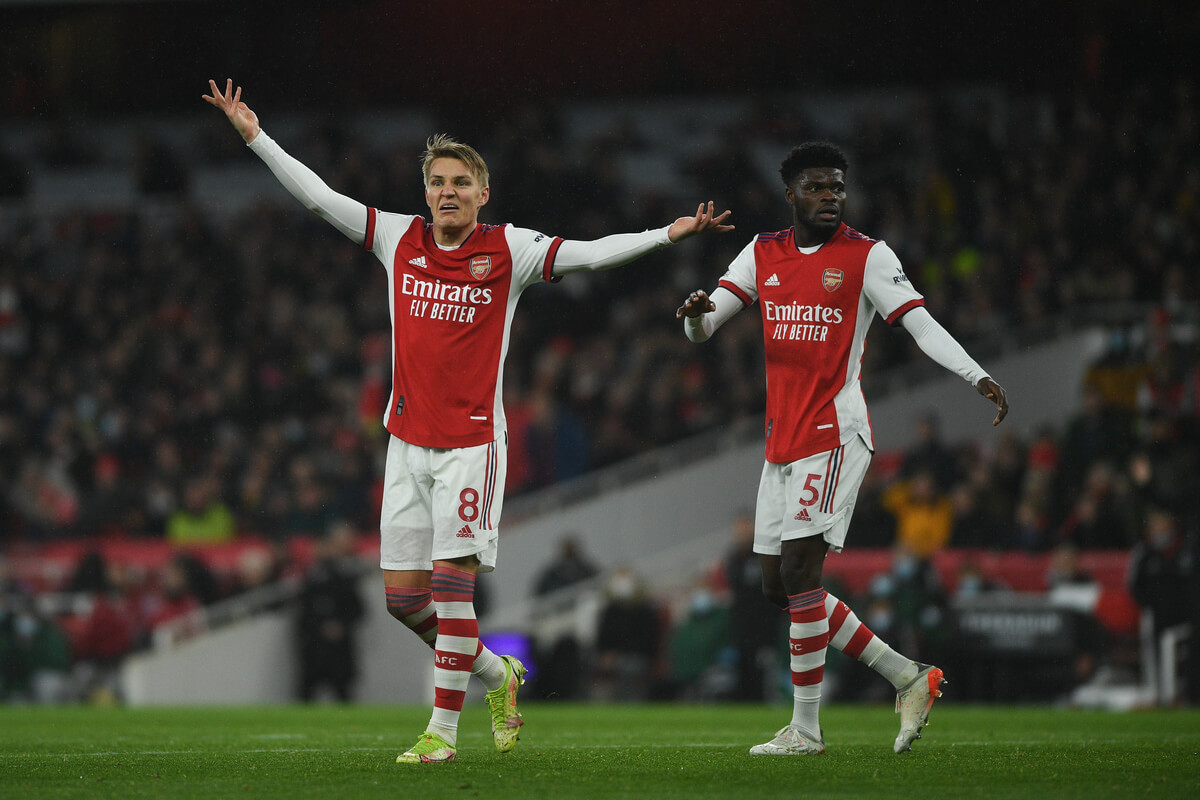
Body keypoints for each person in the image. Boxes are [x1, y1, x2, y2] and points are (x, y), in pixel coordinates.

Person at [203, 78, 732, 763]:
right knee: (402, 599)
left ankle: (441, 734)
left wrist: (669, 234)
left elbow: (591, 251)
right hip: (406, 444)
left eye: (460, 182)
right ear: (424, 192)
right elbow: (318, 197)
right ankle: (495, 673)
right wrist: (256, 137)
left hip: (471, 446)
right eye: (437, 182)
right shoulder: (398, 239)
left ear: (483, 194)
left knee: (452, 590)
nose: (447, 191)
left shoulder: (510, 251)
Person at [677, 141, 1008, 756]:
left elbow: (919, 322)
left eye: (837, 187)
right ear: (791, 194)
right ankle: (908, 676)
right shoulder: (762, 252)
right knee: (778, 587)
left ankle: (805, 729)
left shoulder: (867, 256)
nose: (829, 196)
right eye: (817, 187)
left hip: (834, 432)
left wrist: (976, 375)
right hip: (782, 438)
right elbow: (703, 328)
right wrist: (694, 317)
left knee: (802, 575)